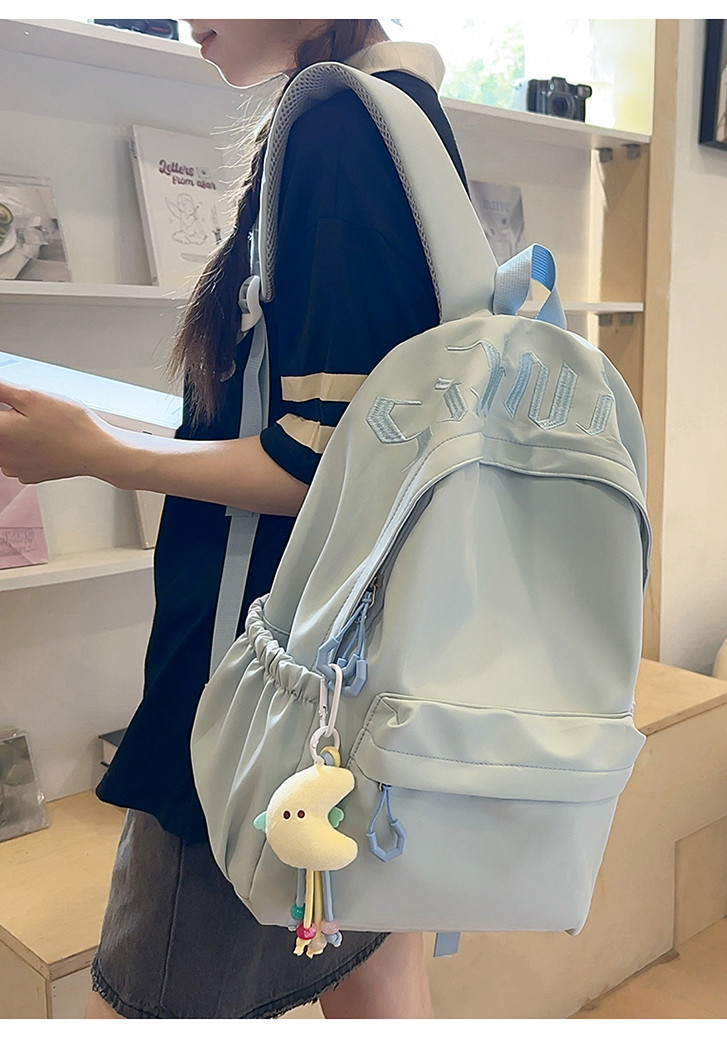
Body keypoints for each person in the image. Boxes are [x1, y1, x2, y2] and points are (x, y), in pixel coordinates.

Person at [0, 19, 470, 1019]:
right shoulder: (400, 112)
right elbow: (354, 426)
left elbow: (333, 459)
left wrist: (93, 454)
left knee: (163, 997)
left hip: (263, 687)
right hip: (359, 665)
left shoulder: (338, 126)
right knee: (376, 967)